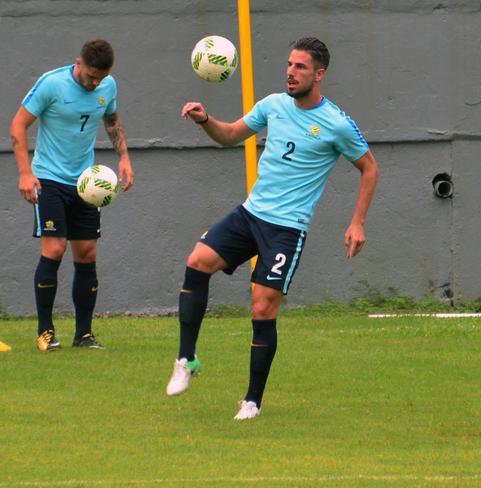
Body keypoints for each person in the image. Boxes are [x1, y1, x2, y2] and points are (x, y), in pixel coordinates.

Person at [166, 37, 379, 420]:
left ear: (319, 73)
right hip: (250, 214)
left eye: (299, 67)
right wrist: (204, 120)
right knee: (197, 261)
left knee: (263, 307)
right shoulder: (273, 105)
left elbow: (370, 167)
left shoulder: (336, 124)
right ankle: (186, 358)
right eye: (289, 65)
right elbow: (230, 135)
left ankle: (252, 400)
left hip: (286, 230)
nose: (290, 72)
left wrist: (357, 222)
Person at [10, 38, 134, 352]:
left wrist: (124, 158)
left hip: (86, 183)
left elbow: (111, 119)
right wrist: (26, 173)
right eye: (91, 76)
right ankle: (45, 332)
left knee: (87, 253)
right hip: (48, 178)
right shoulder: (52, 84)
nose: (95, 83)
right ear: (78, 63)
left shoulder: (108, 85)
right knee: (54, 249)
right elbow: (18, 124)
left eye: (100, 78)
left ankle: (84, 333)